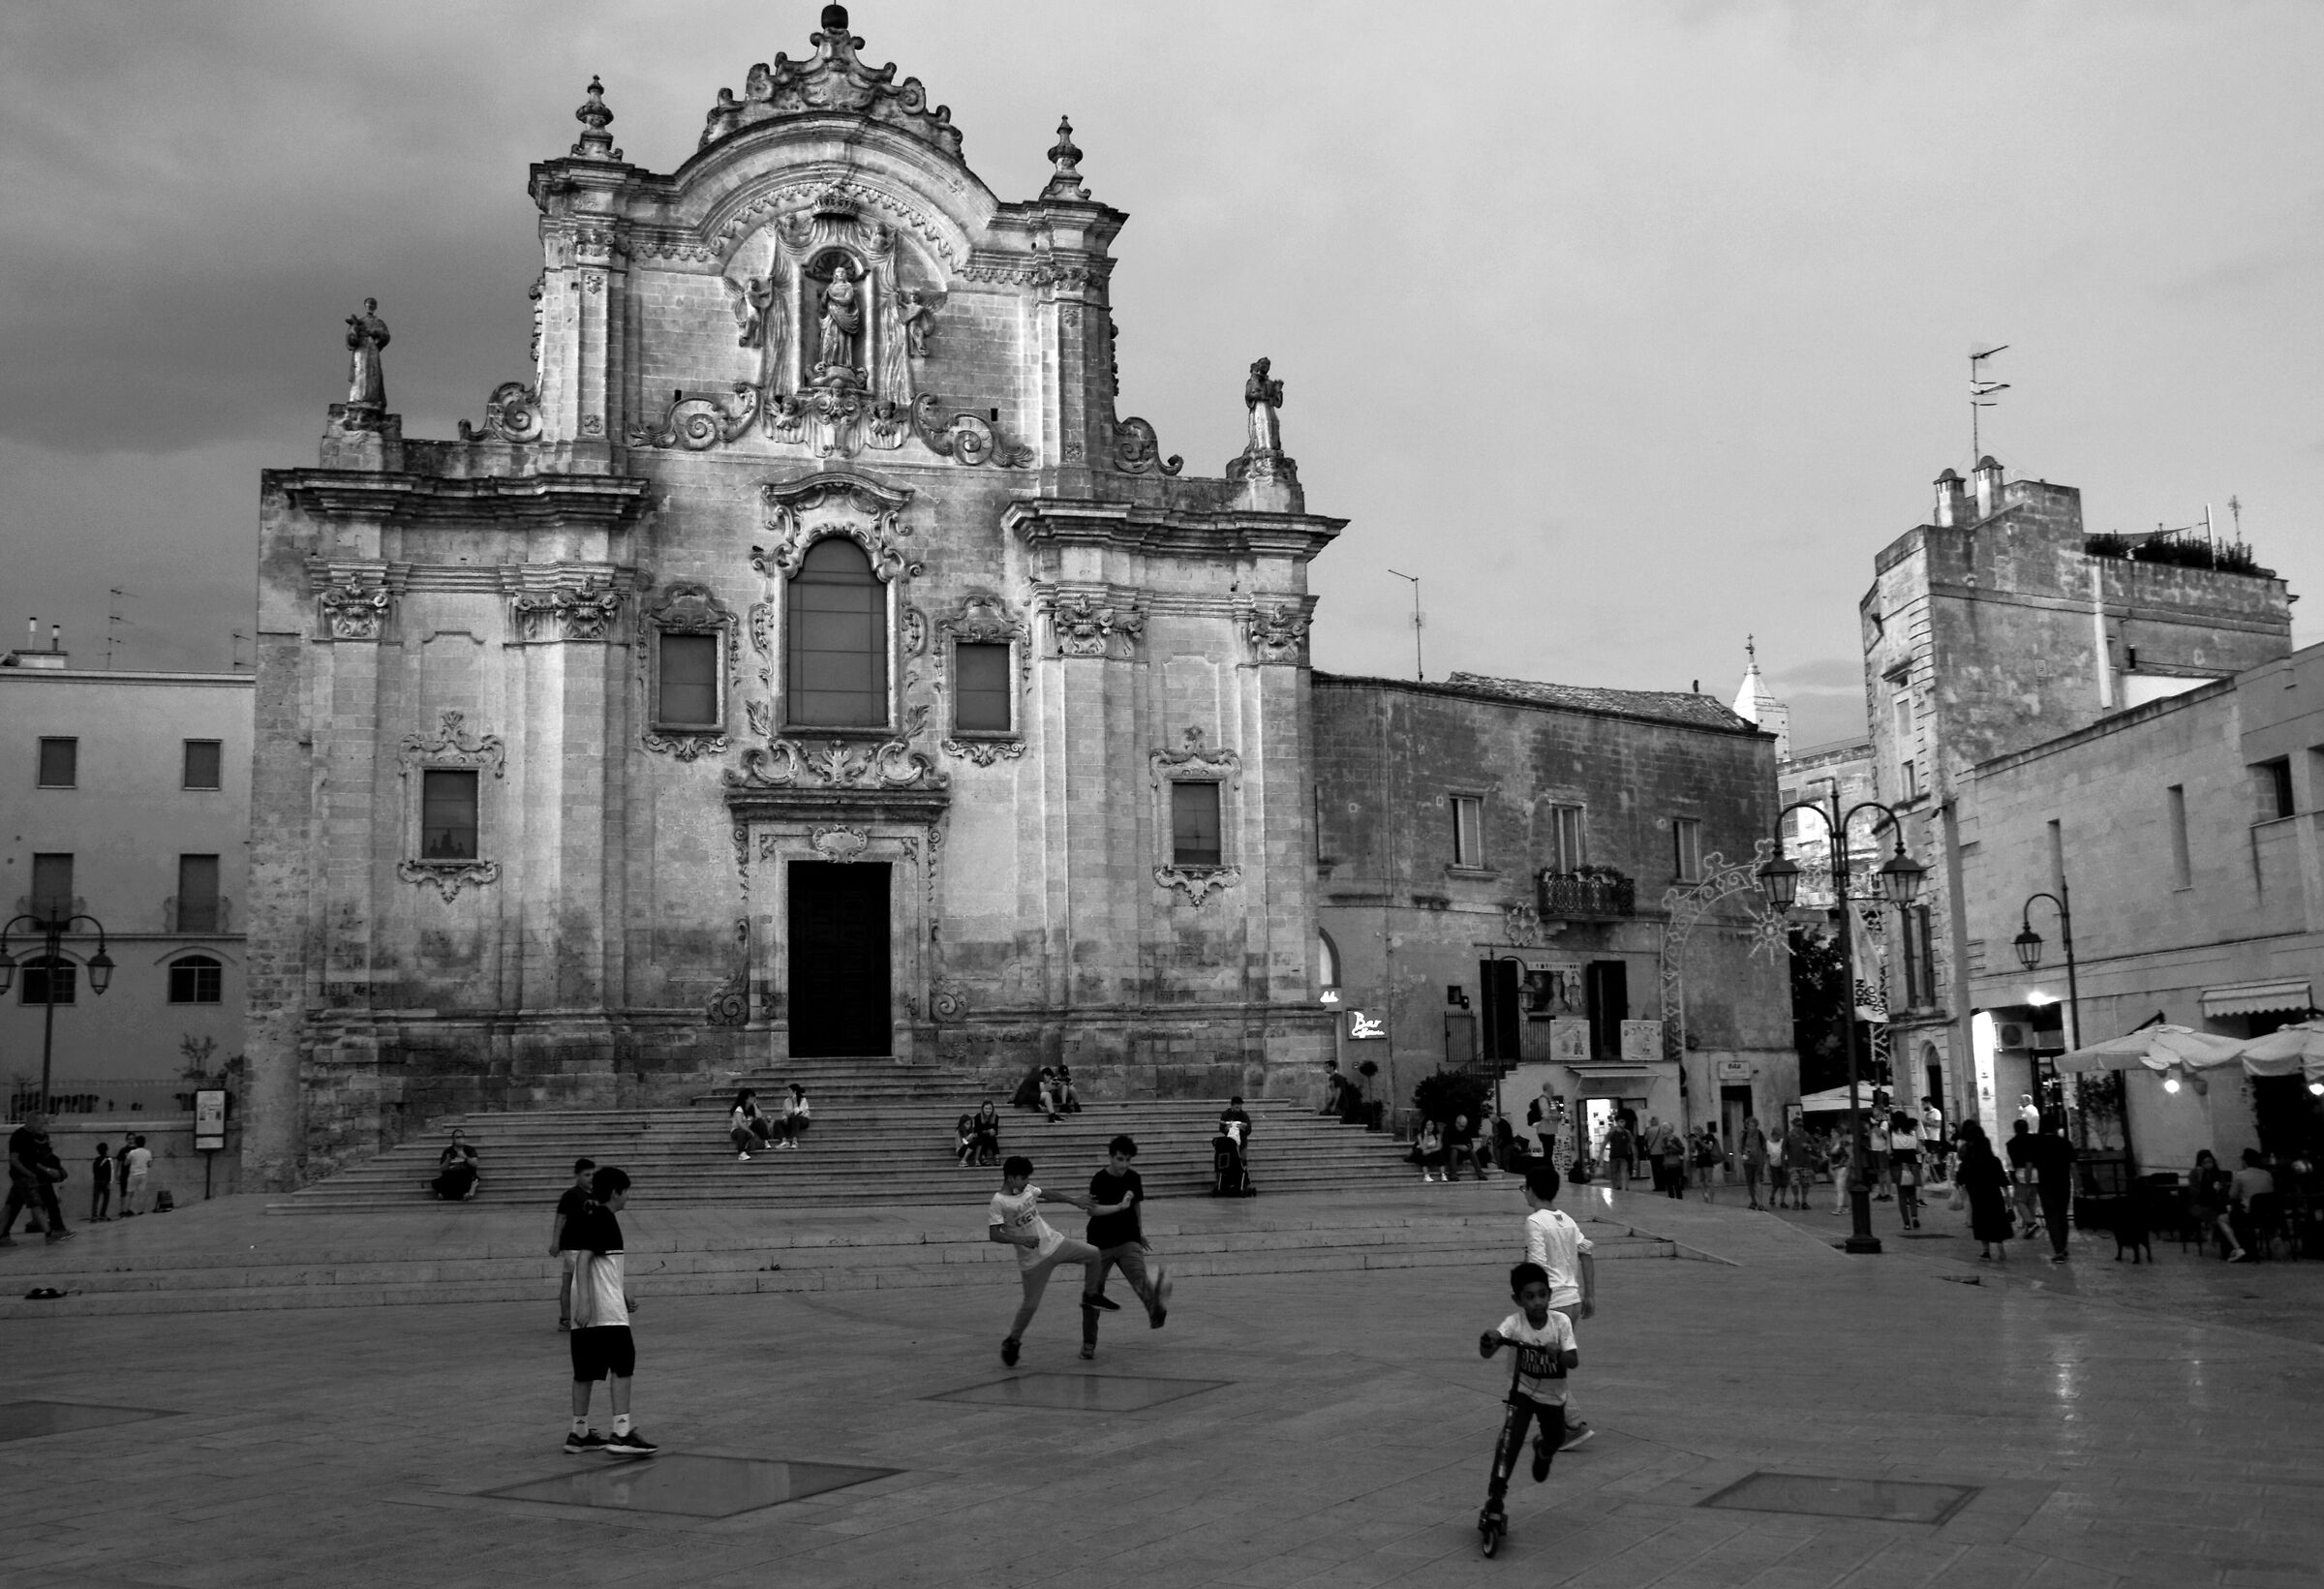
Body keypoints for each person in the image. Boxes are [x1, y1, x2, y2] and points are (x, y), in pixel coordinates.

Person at [1475, 1262, 1579, 1547]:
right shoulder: (1514, 1324)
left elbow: (1573, 1361)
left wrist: (1558, 1353)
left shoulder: (1560, 1323)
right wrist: (1490, 1339)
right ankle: (1496, 1497)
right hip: (1521, 1392)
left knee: (1555, 1436)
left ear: (1550, 1294)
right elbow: (1488, 1351)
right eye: (1530, 1297)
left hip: (1552, 1396)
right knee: (1509, 1441)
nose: (1537, 1302)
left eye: (1542, 1295)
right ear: (1517, 1300)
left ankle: (1543, 1450)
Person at [563, 1166, 657, 1456]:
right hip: (604, 1309)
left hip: (595, 1305)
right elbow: (585, 1259)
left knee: (585, 1370)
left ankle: (579, 1433)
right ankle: (621, 1432)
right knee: (623, 1364)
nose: (628, 1197)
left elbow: (602, 1263)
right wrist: (587, 1301)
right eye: (626, 1191)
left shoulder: (593, 1215)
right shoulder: (605, 1218)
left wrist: (622, 1289)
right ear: (616, 1192)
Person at [987, 1155, 1105, 1365]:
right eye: (1023, 1178)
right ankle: (1012, 1340)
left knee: (1094, 1254)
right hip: (1033, 1261)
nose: (1027, 1182)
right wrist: (1021, 1240)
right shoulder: (999, 1202)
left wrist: (1074, 1200)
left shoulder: (1027, 1189)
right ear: (1011, 1178)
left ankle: (1090, 1295)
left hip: (1055, 1244)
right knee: (1030, 1306)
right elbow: (994, 1234)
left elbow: (1048, 1194)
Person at [1077, 1135, 1173, 1360]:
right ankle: (1089, 1343)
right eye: (1120, 1159)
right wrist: (1119, 1207)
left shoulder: (1133, 1178)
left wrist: (1139, 1233)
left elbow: (1136, 1207)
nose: (1124, 1165)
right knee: (1092, 1294)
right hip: (1100, 1244)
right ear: (1111, 1157)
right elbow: (1093, 1210)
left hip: (1127, 1240)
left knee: (1139, 1278)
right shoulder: (1099, 1179)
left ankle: (1155, 1309)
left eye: (1128, 1160)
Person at [1520, 1166, 1596, 1449]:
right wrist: (1589, 1295)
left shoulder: (1535, 1221)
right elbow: (1586, 1252)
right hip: (1572, 1300)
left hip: (1552, 1304)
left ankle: (1572, 1424)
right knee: (1549, 1364)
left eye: (1524, 1188)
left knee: (1543, 1368)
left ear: (1532, 1190)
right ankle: (1561, 1425)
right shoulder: (1567, 1220)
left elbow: (1537, 1266)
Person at [1, 1113, 72, 1245]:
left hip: (29, 1177)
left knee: (11, 1206)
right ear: (32, 1121)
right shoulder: (19, 1136)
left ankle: (3, 1235)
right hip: (25, 1178)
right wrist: (30, 1173)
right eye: (40, 1123)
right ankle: (50, 1234)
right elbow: (14, 1159)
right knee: (34, 1206)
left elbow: (35, 1159)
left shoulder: (32, 1136)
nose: (42, 1126)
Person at [1955, 1120, 2012, 1261]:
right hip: (1994, 1195)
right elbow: (2003, 1181)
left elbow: (1960, 1179)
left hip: (1977, 1196)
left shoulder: (1968, 1162)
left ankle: (1986, 1251)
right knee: (1996, 1220)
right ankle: (2000, 1247)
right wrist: (2008, 1198)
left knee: (1981, 1221)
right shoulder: (1994, 1161)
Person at [550, 1157, 596, 1331]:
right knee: (574, 1283)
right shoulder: (570, 1195)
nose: (590, 1178)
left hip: (587, 1246)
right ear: (577, 1176)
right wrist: (555, 1242)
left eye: (592, 1174)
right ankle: (570, 1318)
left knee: (571, 1282)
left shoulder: (594, 1194)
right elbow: (560, 1219)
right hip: (572, 1246)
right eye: (586, 1175)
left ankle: (570, 1318)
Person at [2031, 1119, 2077, 1263]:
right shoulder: (2065, 1143)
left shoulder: (2037, 1145)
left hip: (2045, 1184)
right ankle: (2063, 1246)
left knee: (2051, 1218)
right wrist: (2078, 1183)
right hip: (2063, 1183)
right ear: (2055, 1128)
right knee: (2062, 1216)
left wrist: (2029, 1181)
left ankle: (2058, 1251)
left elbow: (2031, 1165)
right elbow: (2073, 1166)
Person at [2227, 1148, 2277, 1262]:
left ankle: (2238, 1248)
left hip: (2250, 1214)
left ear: (2244, 1161)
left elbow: (2232, 1195)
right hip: (2268, 1213)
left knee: (2227, 1217)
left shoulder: (2239, 1175)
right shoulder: (2267, 1174)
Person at [2190, 1148, 2237, 1259]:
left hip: (2216, 1201)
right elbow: (2194, 1192)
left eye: (2209, 1162)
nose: (2208, 1165)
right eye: (2205, 1162)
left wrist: (2219, 1188)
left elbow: (2224, 1190)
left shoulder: (2216, 1172)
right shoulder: (2195, 1173)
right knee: (2218, 1210)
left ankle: (2213, 1231)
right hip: (2201, 1203)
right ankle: (2212, 1230)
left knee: (2221, 1208)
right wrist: (2201, 1179)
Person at [2004, 1118, 2041, 1240]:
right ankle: (2030, 1229)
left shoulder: (2011, 1143)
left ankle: (2030, 1223)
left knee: (2019, 1200)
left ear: (2015, 1129)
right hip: (2036, 1173)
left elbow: (2010, 1164)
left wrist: (2012, 1176)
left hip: (2022, 1173)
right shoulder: (2036, 1139)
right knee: (2031, 1202)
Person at [1888, 1111, 1923, 1231]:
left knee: (1902, 1195)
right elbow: (1919, 1149)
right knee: (1912, 1193)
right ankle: (1914, 1216)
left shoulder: (1892, 1133)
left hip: (1898, 1165)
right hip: (1912, 1164)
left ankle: (1907, 1223)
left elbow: (1888, 1151)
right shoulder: (1913, 1132)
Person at [433, 1128, 481, 1200]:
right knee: (436, 1182)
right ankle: (461, 1195)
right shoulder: (448, 1151)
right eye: (458, 1137)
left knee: (472, 1180)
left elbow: (475, 1164)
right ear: (453, 1139)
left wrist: (465, 1157)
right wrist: (448, 1160)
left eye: (462, 1137)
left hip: (466, 1175)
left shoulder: (469, 1149)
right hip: (452, 1176)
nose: (460, 1139)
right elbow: (442, 1169)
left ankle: (446, 1195)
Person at [1784, 1122, 1819, 1209]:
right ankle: (1796, 1201)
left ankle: (1804, 1202)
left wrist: (1808, 1146)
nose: (1799, 1128)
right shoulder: (1789, 1136)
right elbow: (1784, 1149)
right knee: (1794, 1184)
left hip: (1805, 1164)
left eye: (1800, 1126)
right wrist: (1786, 1163)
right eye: (1797, 1126)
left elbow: (1815, 1146)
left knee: (1805, 1184)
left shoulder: (1806, 1135)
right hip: (1793, 1165)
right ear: (1793, 1126)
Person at [729, 1089, 772, 1161]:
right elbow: (740, 1124)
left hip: (749, 1128)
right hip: (737, 1130)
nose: (754, 1098)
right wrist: (750, 1132)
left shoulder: (751, 1108)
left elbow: (759, 1116)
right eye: (751, 1097)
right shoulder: (739, 1109)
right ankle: (741, 1153)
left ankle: (765, 1141)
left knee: (760, 1121)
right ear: (746, 1099)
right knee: (742, 1131)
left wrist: (755, 1105)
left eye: (754, 1096)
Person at [1446, 1113, 1489, 1181]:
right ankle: (1453, 1175)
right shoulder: (1449, 1129)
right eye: (1462, 1126)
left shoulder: (1466, 1130)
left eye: (1464, 1126)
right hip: (1450, 1153)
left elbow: (1470, 1144)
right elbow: (1447, 1145)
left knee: (1471, 1151)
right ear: (1457, 1123)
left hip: (1463, 1152)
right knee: (1454, 1150)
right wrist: (1459, 1146)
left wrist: (1467, 1147)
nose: (1463, 1128)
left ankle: (1480, 1174)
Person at [119, 1134, 153, 1216]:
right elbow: (150, 1165)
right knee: (141, 1193)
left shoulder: (132, 1152)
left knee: (129, 1194)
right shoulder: (148, 1152)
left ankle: (125, 1211)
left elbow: (126, 1163)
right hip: (143, 1174)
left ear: (136, 1143)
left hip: (133, 1174)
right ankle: (141, 1211)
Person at [1740, 1115, 1767, 1210]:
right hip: (1747, 1163)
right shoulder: (1744, 1135)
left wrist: (1763, 1161)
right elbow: (1740, 1148)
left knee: (1758, 1181)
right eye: (1751, 1125)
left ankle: (1760, 1203)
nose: (1753, 1128)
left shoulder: (1760, 1135)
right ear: (1747, 1126)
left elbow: (1765, 1149)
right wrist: (1745, 1152)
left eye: (1754, 1125)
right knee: (1750, 1183)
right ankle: (1753, 1201)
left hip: (1758, 1162)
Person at [1920, 1096, 1949, 1185]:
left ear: (1928, 1103)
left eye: (1923, 1104)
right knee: (1929, 1159)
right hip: (1927, 1137)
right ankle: (1933, 1176)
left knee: (1935, 1158)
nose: (1922, 1106)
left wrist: (1926, 1122)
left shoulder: (1936, 1112)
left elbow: (1938, 1125)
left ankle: (1941, 1176)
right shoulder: (1925, 1113)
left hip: (1934, 1138)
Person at [1693, 1124, 1724, 1204]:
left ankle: (1711, 1200)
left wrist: (1700, 1141)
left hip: (1708, 1160)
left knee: (1709, 1181)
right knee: (1701, 1180)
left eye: (1697, 1133)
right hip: (1699, 1160)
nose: (1697, 1135)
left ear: (1701, 1131)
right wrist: (1693, 1142)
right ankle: (1705, 1198)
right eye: (1695, 1134)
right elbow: (1693, 1150)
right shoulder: (1697, 1139)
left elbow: (1709, 1147)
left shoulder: (1709, 1136)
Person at [1604, 1115, 1634, 1191]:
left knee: (1623, 1174)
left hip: (1624, 1157)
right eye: (1621, 1122)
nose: (1623, 1123)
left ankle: (1623, 1189)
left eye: (1624, 1122)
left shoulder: (1627, 1133)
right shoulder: (1611, 1132)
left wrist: (1633, 1155)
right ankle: (1616, 1188)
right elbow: (1605, 1142)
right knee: (1614, 1175)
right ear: (1617, 1122)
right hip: (1614, 1156)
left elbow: (1632, 1144)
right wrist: (1601, 1153)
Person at [777, 1083, 810, 1149]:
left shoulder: (803, 1100)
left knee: (795, 1118)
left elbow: (798, 1112)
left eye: (789, 1091)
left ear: (794, 1092)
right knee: (777, 1123)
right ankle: (783, 1141)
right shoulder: (786, 1101)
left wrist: (795, 1102)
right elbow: (784, 1113)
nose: (787, 1093)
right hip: (790, 1120)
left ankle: (794, 1141)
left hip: (802, 1119)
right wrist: (784, 1118)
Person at [1413, 1117, 1448, 1183]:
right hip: (1420, 1153)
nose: (1430, 1126)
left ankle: (1443, 1174)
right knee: (1422, 1153)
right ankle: (1426, 1176)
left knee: (1439, 1153)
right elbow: (1423, 1148)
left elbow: (1439, 1147)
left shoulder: (1437, 1134)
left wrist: (1430, 1151)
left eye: (1431, 1124)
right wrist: (1425, 1136)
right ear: (1425, 1126)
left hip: (1432, 1153)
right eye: (1428, 1125)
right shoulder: (1420, 1135)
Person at [89, 1141, 115, 1223]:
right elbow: (111, 1171)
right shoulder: (109, 1159)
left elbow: (94, 1171)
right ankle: (102, 1214)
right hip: (105, 1181)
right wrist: (110, 1182)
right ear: (106, 1150)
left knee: (96, 1199)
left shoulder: (96, 1160)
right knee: (106, 1198)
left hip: (97, 1181)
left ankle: (94, 1216)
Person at [971, 1100, 1002, 1168]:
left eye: (989, 1108)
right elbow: (977, 1131)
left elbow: (996, 1130)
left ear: (992, 1109)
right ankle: (983, 1156)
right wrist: (987, 1131)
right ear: (982, 1109)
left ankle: (996, 1156)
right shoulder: (978, 1117)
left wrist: (993, 1131)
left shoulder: (995, 1117)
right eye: (986, 1108)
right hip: (981, 1136)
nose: (988, 1110)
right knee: (982, 1138)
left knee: (992, 1138)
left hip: (990, 1136)